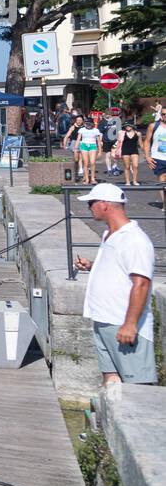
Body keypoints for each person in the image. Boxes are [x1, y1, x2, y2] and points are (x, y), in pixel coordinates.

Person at [73, 183, 157, 385]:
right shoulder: (109, 235)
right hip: (103, 319)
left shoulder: (134, 240)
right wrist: (92, 266)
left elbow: (141, 284)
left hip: (123, 324)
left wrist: (130, 324)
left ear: (104, 205)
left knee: (137, 387)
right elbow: (119, 270)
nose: (89, 208)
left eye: (91, 203)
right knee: (111, 382)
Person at [114, 122, 142, 187]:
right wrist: (115, 150)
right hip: (125, 150)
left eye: (129, 125)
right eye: (126, 126)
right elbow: (118, 142)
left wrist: (145, 152)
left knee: (136, 166)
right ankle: (127, 181)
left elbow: (140, 143)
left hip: (134, 150)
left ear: (132, 126)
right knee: (127, 167)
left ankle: (135, 181)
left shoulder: (138, 133)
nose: (127, 127)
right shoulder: (122, 133)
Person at [149, 107, 166, 210]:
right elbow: (146, 141)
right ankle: (164, 203)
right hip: (158, 157)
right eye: (163, 114)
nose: (165, 116)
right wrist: (147, 157)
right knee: (162, 179)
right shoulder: (154, 126)